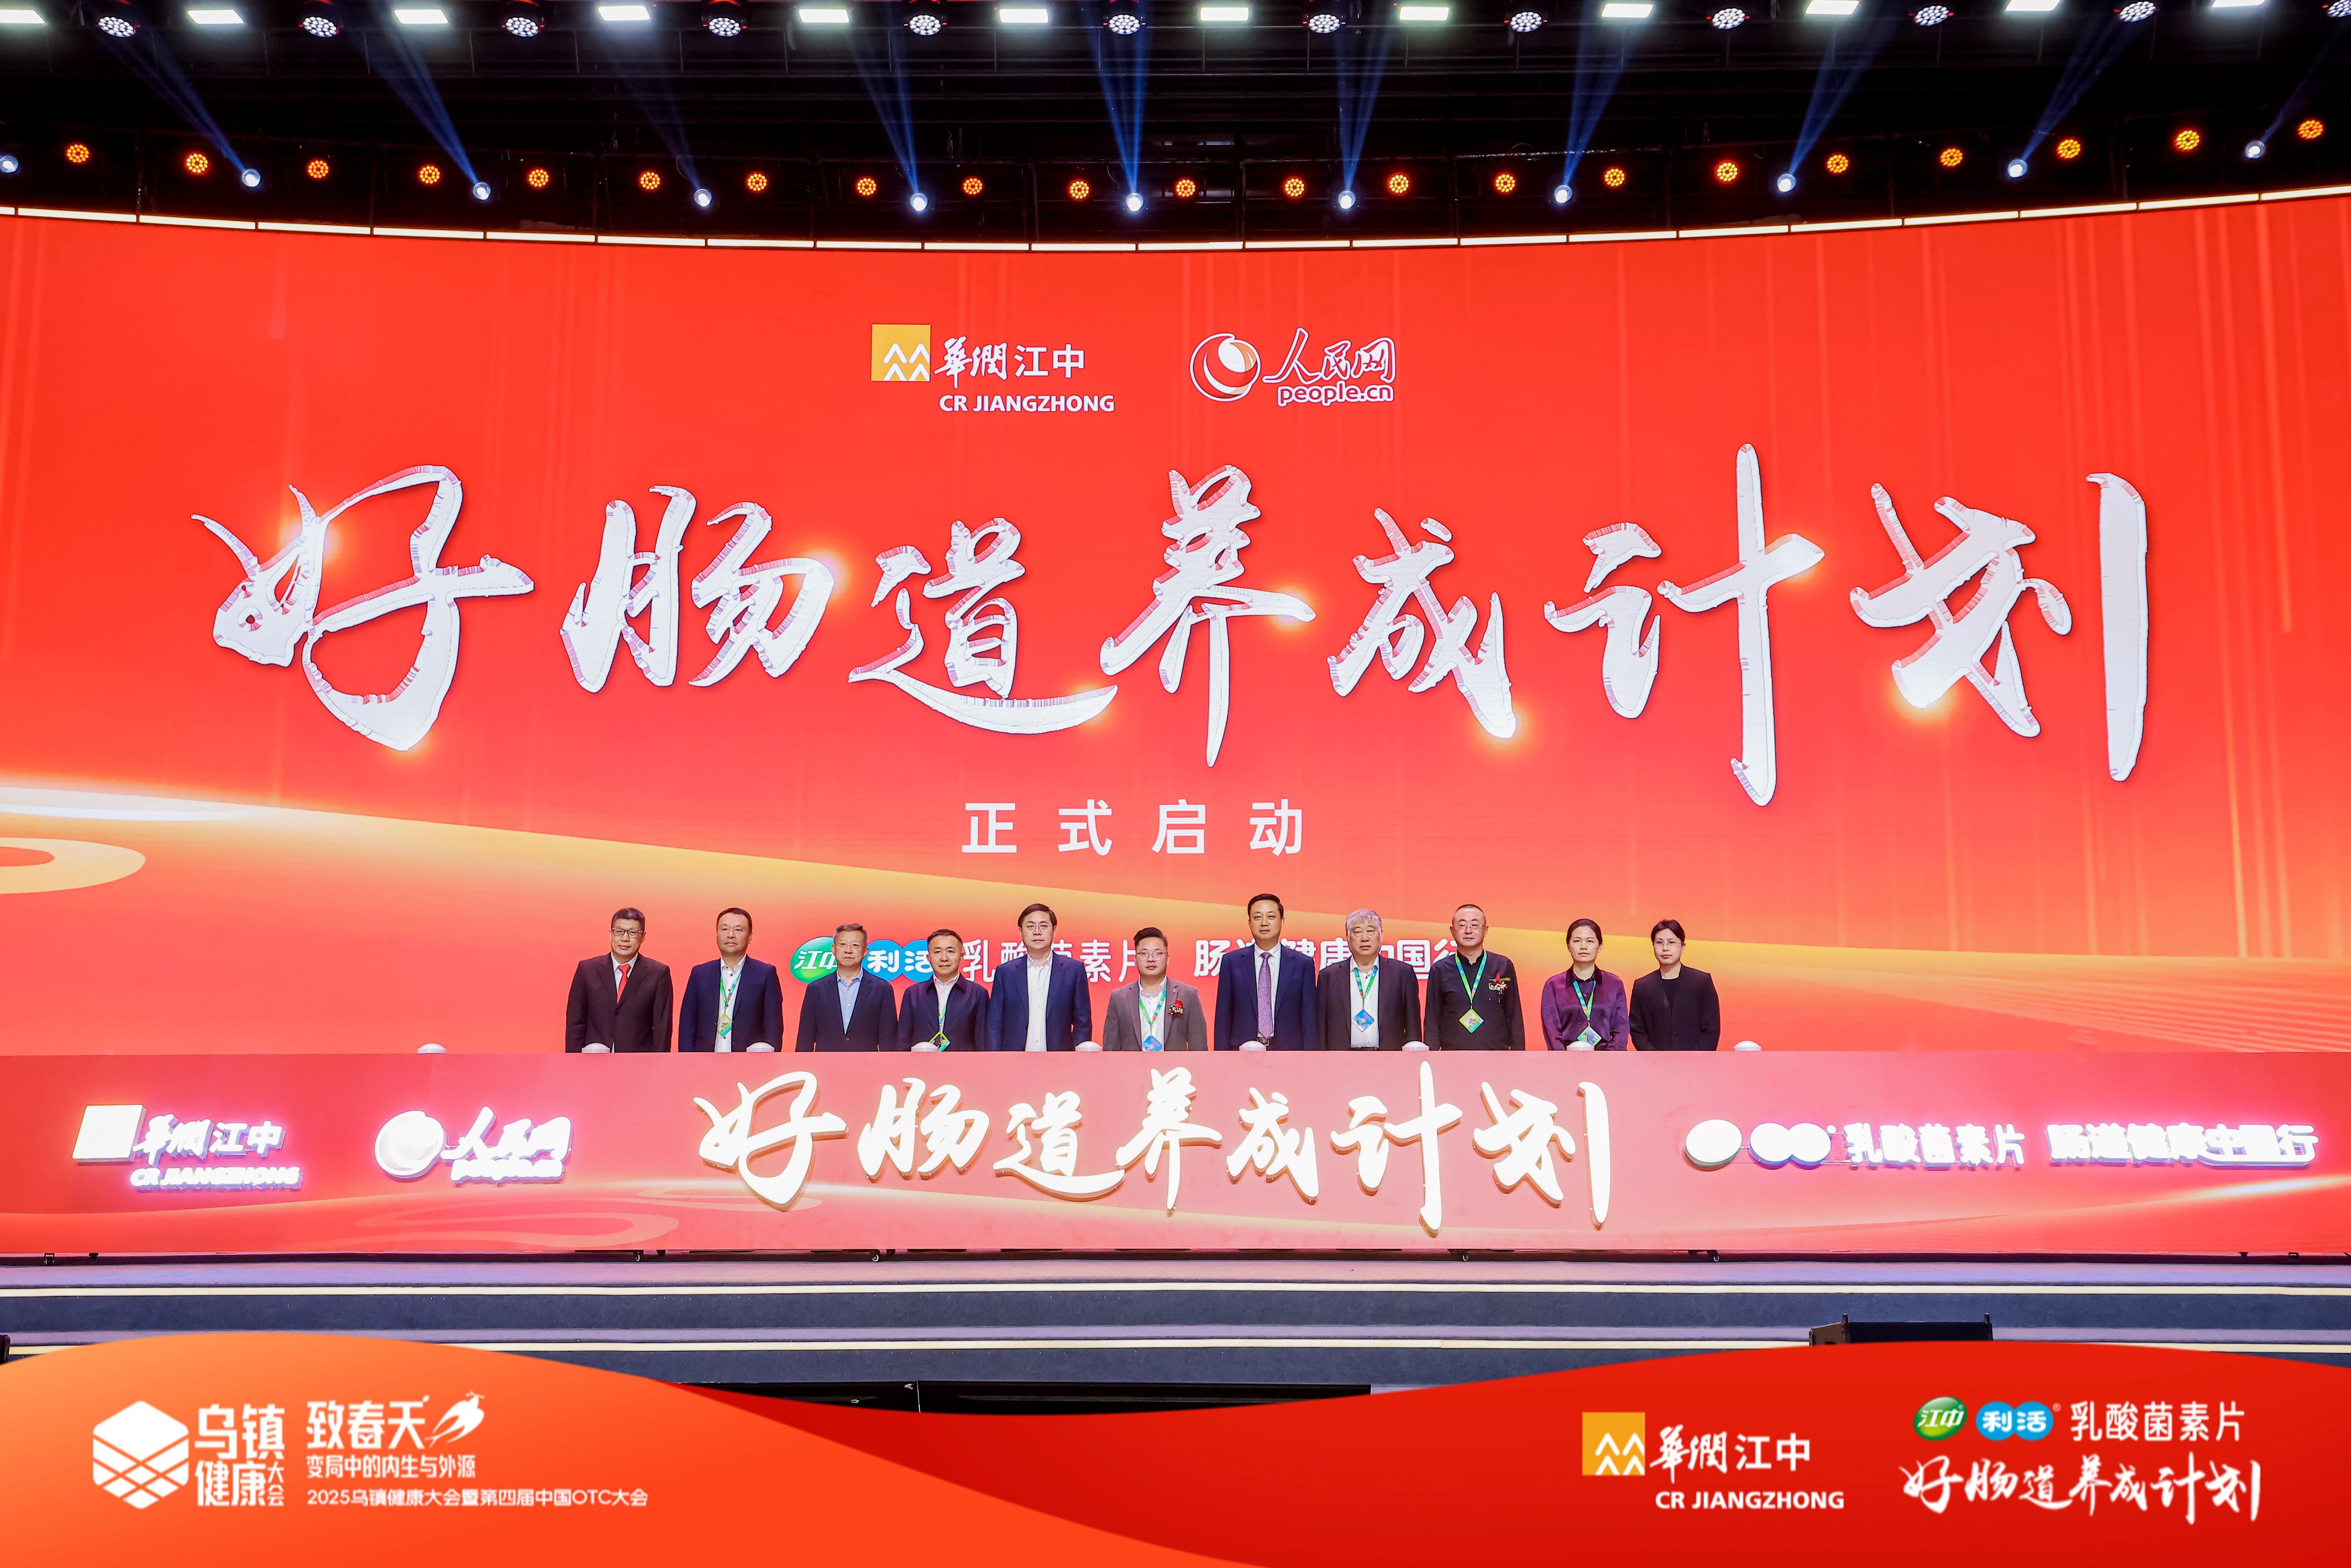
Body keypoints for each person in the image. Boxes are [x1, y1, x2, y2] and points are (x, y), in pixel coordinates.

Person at [564, 907, 673, 1053]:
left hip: (638, 1060)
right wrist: (572, 1061)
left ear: (643, 937)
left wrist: (660, 1063)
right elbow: (575, 1022)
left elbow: (662, 1027)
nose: (625, 939)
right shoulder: (587, 970)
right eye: (619, 932)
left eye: (633, 933)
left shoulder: (658, 973)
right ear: (611, 934)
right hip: (594, 1058)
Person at [987, 903, 1094, 1051]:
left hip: (1059, 1059)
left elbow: (1083, 1022)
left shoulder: (1074, 970)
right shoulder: (1005, 973)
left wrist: (1077, 1059)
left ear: (1054, 930)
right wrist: (995, 1058)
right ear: (1021, 931)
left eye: (1043, 926)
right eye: (1030, 926)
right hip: (1014, 1059)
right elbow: (994, 1023)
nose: (1037, 932)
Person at [679, 907, 785, 1053]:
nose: (730, 935)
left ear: (750, 936)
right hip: (704, 1060)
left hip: (748, 1061)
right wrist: (686, 1061)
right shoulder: (700, 974)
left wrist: (770, 1061)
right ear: (717, 934)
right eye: (724, 929)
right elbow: (687, 1025)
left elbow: (773, 1027)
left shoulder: (765, 974)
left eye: (738, 930)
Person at [1421, 903, 1526, 1050]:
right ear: (1452, 931)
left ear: (1486, 930)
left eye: (1475, 925)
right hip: (1453, 1055)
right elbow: (1432, 1019)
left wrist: (1519, 1053)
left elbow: (1514, 1015)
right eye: (1462, 925)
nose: (1468, 931)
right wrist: (1431, 1056)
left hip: (1496, 1054)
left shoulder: (1503, 966)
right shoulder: (1440, 970)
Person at [1316, 908, 1421, 1050]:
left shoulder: (1402, 974)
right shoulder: (1329, 976)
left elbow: (1413, 1026)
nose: (1364, 938)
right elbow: (1321, 1029)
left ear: (1381, 936)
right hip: (1341, 1058)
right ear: (1348, 937)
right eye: (1357, 932)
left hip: (1389, 1057)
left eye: (1371, 931)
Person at [795, 922, 898, 1051]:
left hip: (868, 1062)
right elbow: (805, 1038)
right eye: (843, 944)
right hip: (825, 1062)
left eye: (855, 945)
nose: (848, 950)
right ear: (834, 949)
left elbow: (889, 1040)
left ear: (865, 952)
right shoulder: (816, 989)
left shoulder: (882, 989)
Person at [1103, 927, 1207, 1051]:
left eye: (1157, 953)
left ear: (1168, 959)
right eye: (1144, 954)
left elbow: (1199, 1047)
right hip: (1132, 1065)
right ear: (1135, 960)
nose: (1151, 959)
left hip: (1174, 1064)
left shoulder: (1188, 995)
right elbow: (1111, 1049)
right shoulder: (1119, 998)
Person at [1629, 918, 1722, 1051]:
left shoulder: (1702, 982)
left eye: (1672, 942)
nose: (1665, 948)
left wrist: (1699, 1058)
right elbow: (1637, 1030)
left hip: (1696, 1060)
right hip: (1654, 1061)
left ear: (1682, 947)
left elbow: (1711, 1028)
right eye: (1660, 943)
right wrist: (1653, 1058)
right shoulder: (1642, 986)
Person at [1538, 918, 1630, 1051]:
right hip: (1566, 1060)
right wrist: (1563, 1059)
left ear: (1600, 946)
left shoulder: (1614, 984)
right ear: (1569, 946)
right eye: (1577, 941)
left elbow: (1621, 1029)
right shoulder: (1553, 986)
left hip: (1607, 1060)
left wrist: (1610, 1059)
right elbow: (1552, 1032)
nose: (1583, 947)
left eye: (1590, 941)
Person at [899, 929, 990, 1051]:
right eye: (937, 952)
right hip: (921, 1062)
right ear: (929, 958)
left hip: (963, 1062)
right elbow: (903, 1040)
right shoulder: (913, 994)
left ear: (961, 956)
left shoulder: (977, 994)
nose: (944, 958)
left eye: (950, 951)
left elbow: (982, 1041)